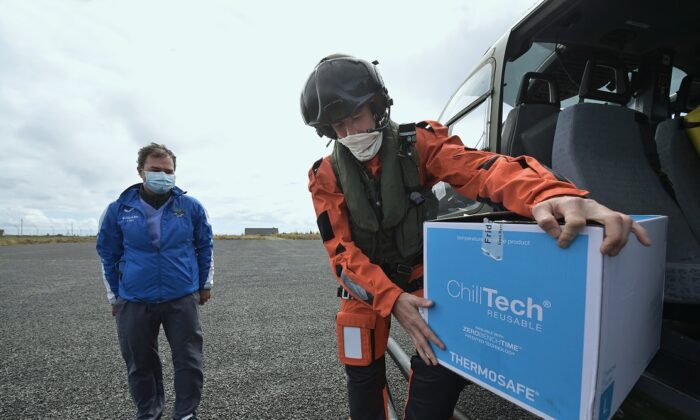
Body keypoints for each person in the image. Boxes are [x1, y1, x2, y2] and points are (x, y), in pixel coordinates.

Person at [301, 54, 651, 419]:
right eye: (338, 127)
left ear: (377, 107)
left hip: (419, 271)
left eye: (356, 117)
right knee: (360, 370)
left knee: (443, 353)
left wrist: (549, 194)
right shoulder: (324, 175)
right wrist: (391, 299)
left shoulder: (417, 142)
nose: (350, 134)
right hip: (366, 283)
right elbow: (341, 253)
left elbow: (482, 169)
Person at [96, 143, 214, 420]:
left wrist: (204, 285)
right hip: (135, 298)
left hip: (181, 295)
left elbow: (205, 246)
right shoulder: (117, 209)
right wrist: (115, 296)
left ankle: (186, 413)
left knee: (189, 360)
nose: (163, 176)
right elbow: (108, 254)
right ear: (141, 171)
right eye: (155, 170)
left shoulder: (191, 207)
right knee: (140, 363)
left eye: (168, 171)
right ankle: (148, 413)